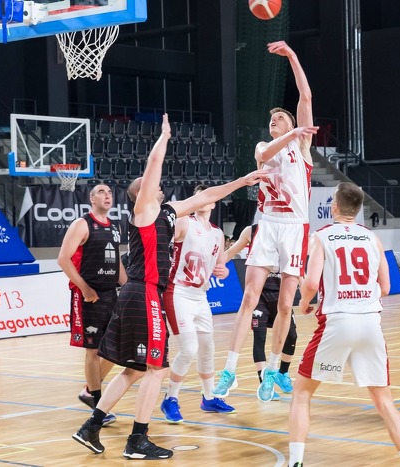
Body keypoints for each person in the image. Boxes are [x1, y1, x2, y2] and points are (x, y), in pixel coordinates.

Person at [72, 114, 264, 459]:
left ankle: (91, 427)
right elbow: (153, 168)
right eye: (152, 186)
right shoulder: (144, 211)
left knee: (134, 369)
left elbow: (208, 195)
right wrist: (163, 138)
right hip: (143, 291)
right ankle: (137, 440)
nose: (160, 188)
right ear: (141, 194)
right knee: (156, 368)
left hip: (141, 294)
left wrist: (242, 181)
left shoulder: (169, 211)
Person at [213, 40, 318, 402]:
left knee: (286, 305)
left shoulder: (302, 148)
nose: (274, 120)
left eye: (282, 118)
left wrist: (293, 56)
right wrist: (290, 132)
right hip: (268, 223)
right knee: (249, 297)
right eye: (272, 119)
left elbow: (305, 96)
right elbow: (267, 152)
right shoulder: (264, 147)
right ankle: (229, 369)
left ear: (294, 123)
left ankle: (273, 369)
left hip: (295, 227)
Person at [290, 182, 400, 467]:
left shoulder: (321, 236)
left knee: (301, 392)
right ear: (359, 210)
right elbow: (386, 287)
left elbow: (310, 284)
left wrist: (304, 302)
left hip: (337, 322)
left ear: (334, 207)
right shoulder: (373, 238)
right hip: (370, 323)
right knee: (384, 402)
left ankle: (296, 462)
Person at [160, 184, 236, 424]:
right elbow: (161, 245)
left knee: (207, 347)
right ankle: (170, 398)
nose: (202, 200)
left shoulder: (217, 234)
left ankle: (209, 397)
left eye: (207, 197)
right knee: (189, 348)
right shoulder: (184, 222)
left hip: (201, 295)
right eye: (198, 197)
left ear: (213, 202)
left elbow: (220, 266)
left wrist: (223, 271)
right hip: (178, 291)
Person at [58, 184, 126, 427]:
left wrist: (129, 287)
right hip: (89, 296)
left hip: (111, 294)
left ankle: (89, 390)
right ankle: (98, 405)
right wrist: (85, 288)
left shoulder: (115, 226)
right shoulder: (82, 224)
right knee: (93, 351)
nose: (107, 195)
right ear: (91, 199)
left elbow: (116, 262)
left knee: (117, 348)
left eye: (109, 193)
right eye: (101, 192)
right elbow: (63, 259)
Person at [225, 224, 297, 399]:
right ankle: (264, 382)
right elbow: (230, 252)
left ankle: (283, 373)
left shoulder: (292, 230)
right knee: (260, 337)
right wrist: (216, 263)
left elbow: (298, 265)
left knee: (292, 336)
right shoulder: (252, 230)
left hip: (281, 294)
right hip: (260, 295)